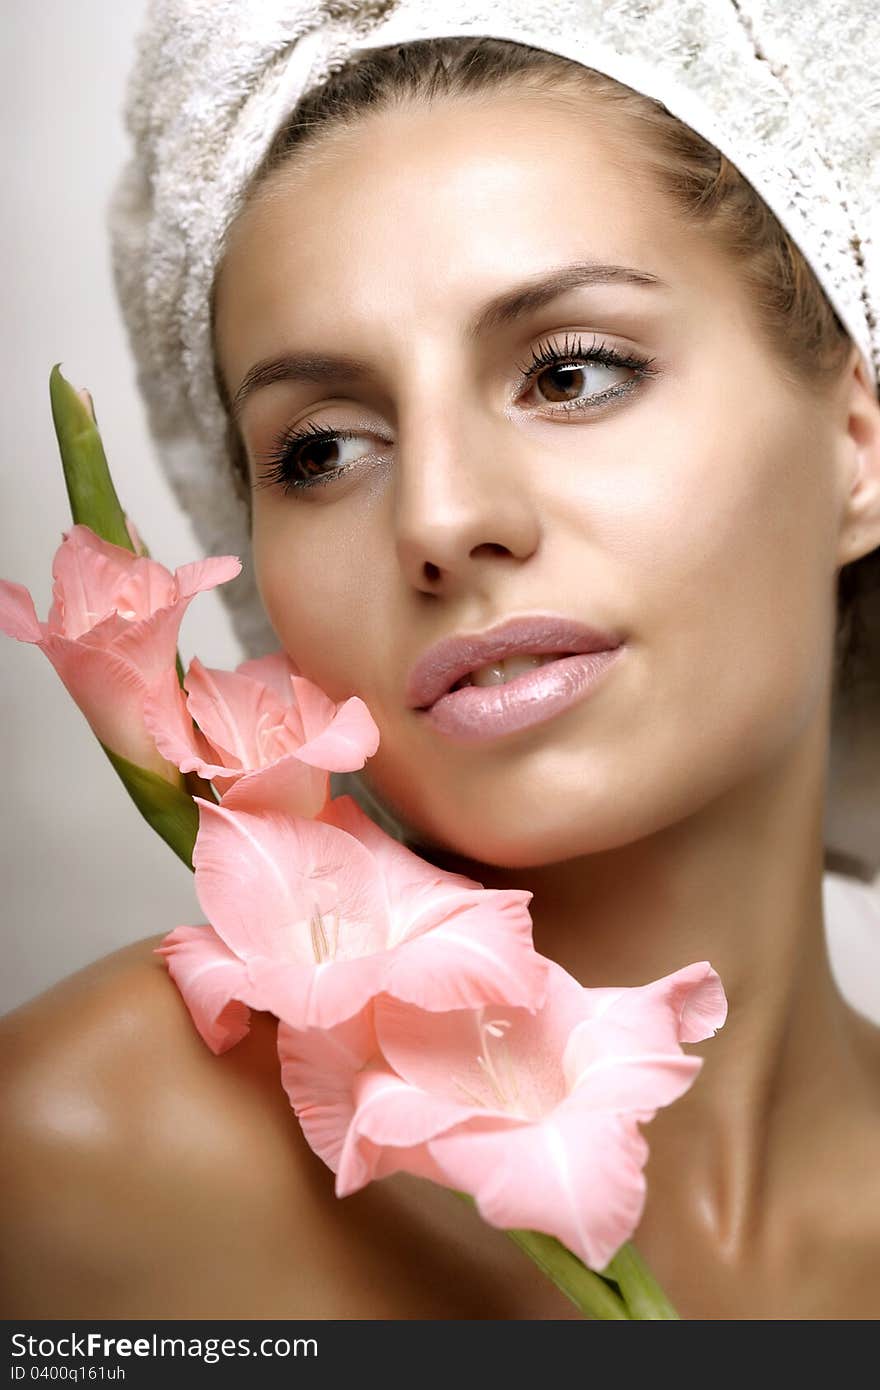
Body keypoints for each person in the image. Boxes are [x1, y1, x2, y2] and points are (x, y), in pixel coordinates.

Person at [2, 1, 880, 1319]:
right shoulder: (85, 1150)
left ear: (858, 446)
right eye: (325, 448)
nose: (439, 519)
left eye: (572, 374)